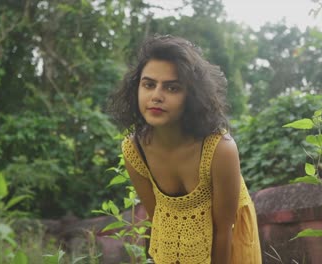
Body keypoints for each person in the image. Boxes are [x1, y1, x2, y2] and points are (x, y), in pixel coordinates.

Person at [108, 34, 261, 264]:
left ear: (191, 96)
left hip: (230, 243)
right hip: (176, 246)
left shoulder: (220, 149)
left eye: (172, 88)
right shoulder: (134, 149)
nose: (156, 96)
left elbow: (223, 231)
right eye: (149, 84)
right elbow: (159, 221)